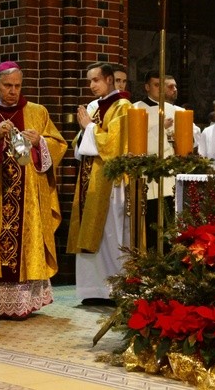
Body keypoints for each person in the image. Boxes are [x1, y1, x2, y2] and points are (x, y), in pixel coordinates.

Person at [0, 61, 67, 319]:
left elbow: (59, 144)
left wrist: (40, 141)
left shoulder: (36, 111)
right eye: (8, 85)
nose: (13, 91)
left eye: (18, 86)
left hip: (28, 194)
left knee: (26, 240)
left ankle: (23, 303)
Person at [66, 62, 131, 305]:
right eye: (90, 81)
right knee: (93, 233)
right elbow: (80, 143)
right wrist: (86, 130)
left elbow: (114, 144)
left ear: (109, 80)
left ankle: (113, 289)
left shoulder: (121, 106)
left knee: (110, 233)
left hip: (111, 183)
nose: (91, 85)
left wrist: (89, 127)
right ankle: (93, 288)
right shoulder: (97, 108)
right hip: (91, 179)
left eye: (95, 80)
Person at [132, 71, 201, 244]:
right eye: (156, 85)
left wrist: (180, 135)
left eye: (162, 85)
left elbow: (194, 137)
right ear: (147, 87)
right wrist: (160, 130)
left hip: (171, 174)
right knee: (151, 223)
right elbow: (134, 140)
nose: (160, 89)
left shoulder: (177, 111)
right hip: (148, 175)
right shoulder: (136, 109)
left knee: (171, 221)